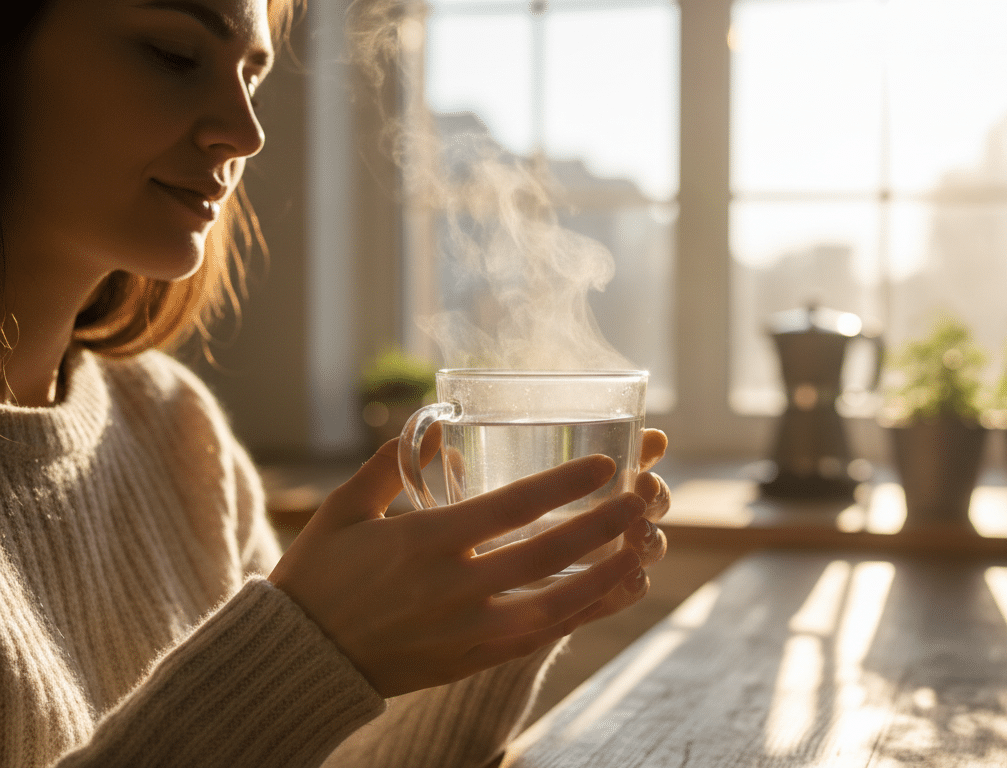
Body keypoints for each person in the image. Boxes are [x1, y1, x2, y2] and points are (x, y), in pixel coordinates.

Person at [0, 0, 671, 765]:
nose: (248, 132)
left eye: (252, 74)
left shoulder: (171, 427)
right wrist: (306, 648)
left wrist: (514, 614)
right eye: (173, 55)